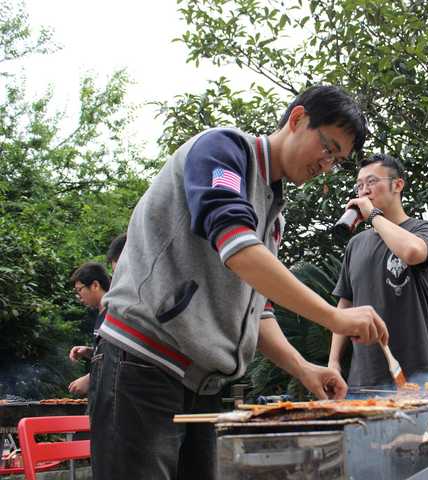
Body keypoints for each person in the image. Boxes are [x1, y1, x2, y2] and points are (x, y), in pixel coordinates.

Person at [91, 85, 389, 480]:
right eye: (327, 147)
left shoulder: (273, 215)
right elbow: (237, 248)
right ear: (297, 119)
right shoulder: (224, 150)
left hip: (203, 384)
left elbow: (257, 309)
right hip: (144, 366)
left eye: (337, 160)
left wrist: (303, 368)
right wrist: (335, 319)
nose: (327, 164)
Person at [329, 153, 428, 388]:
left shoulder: (422, 229)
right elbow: (345, 304)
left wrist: (373, 216)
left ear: (397, 185)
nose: (363, 190)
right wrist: (334, 362)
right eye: (359, 185)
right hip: (364, 377)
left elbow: (412, 253)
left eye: (371, 182)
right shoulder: (356, 244)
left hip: (416, 374)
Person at [67, 262, 110, 395]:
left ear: (95, 285)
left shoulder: (114, 315)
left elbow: (121, 359)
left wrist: (91, 378)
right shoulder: (101, 314)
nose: (79, 297)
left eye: (80, 290)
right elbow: (109, 352)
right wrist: (90, 351)